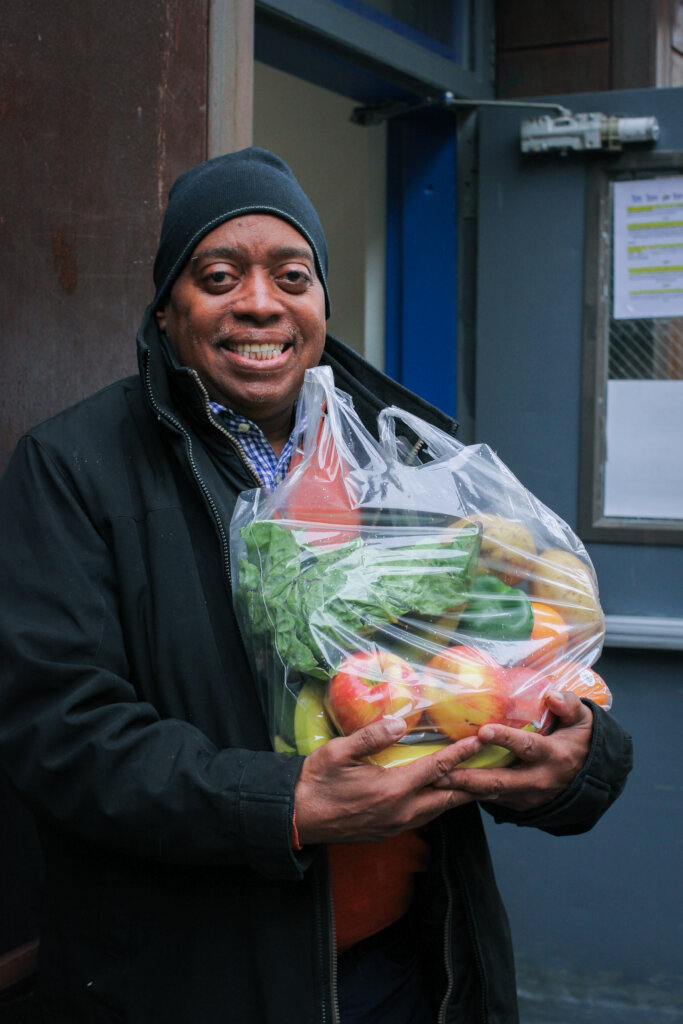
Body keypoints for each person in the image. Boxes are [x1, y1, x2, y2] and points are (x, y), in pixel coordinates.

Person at [0, 147, 632, 1024]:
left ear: (321, 302)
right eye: (218, 275)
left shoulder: (409, 462)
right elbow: (59, 734)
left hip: (412, 973)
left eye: (290, 274)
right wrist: (283, 804)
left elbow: (517, 653)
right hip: (195, 987)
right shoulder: (73, 469)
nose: (259, 300)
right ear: (167, 305)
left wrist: (580, 764)